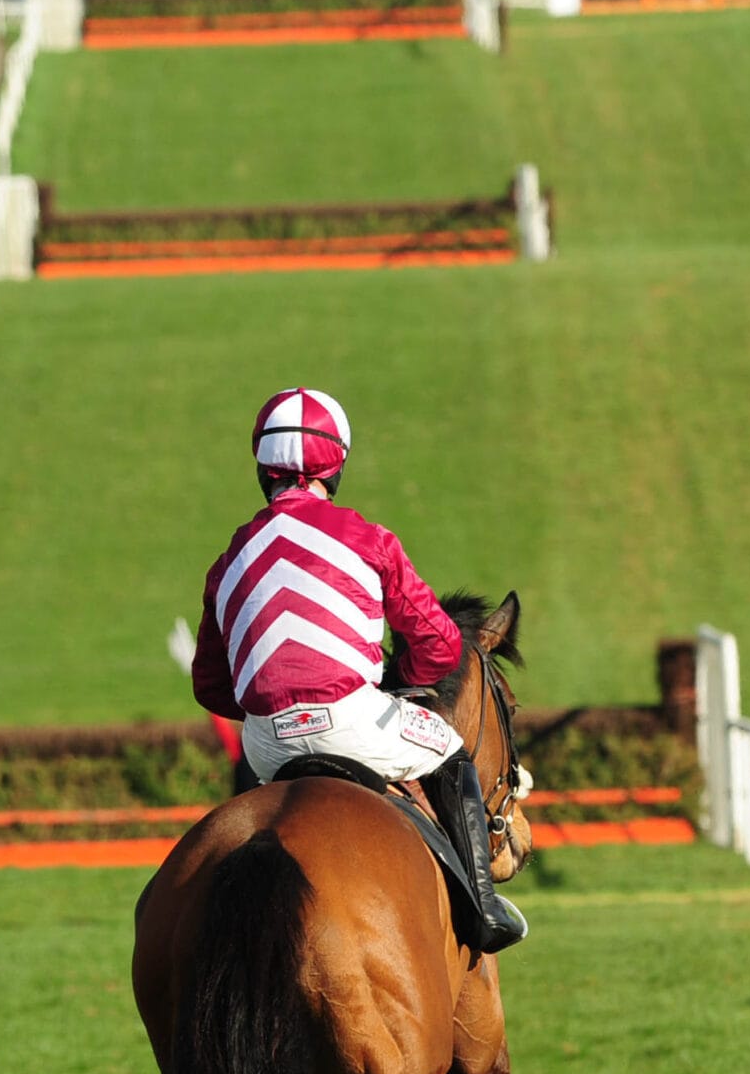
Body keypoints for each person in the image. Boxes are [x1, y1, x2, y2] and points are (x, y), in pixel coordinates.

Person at [191, 387, 527, 952]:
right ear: (336, 466)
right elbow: (440, 645)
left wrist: (274, 699)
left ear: (262, 470)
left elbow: (210, 684)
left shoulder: (229, 559)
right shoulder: (368, 539)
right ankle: (484, 907)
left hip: (265, 745)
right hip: (351, 718)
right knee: (449, 748)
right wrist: (410, 676)